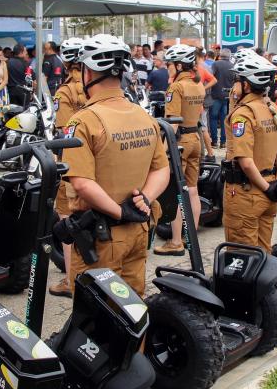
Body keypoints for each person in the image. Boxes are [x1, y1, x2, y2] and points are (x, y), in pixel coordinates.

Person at [60, 35, 170, 297]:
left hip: (103, 235)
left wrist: (121, 212)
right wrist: (143, 200)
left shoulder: (83, 121)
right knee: (133, 309)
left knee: (97, 315)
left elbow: (82, 183)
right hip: (139, 229)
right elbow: (161, 169)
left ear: (88, 73)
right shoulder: (143, 115)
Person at [222, 49, 277, 251]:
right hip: (269, 191)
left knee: (243, 256)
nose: (233, 85)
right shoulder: (272, 109)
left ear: (246, 84)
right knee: (263, 251)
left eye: (237, 80)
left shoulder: (243, 114)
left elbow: (245, 161)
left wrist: (266, 187)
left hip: (247, 193)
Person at [156, 44, 206, 257]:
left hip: (181, 140)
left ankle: (176, 242)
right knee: (193, 190)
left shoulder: (176, 88)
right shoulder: (198, 85)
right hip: (196, 138)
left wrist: (163, 151)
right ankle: (190, 237)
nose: (167, 68)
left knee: (177, 192)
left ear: (178, 65)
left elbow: (172, 123)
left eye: (169, 64)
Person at [48, 37, 86, 298]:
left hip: (72, 159)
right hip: (96, 157)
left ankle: (72, 279)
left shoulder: (65, 91)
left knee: (66, 219)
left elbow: (64, 131)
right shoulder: (92, 85)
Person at [210, 48, 234, 149]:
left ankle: (214, 141)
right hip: (228, 96)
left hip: (216, 95)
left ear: (220, 55)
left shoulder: (216, 64)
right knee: (224, 119)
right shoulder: (233, 65)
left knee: (213, 118)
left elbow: (210, 76)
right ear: (229, 56)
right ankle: (223, 142)